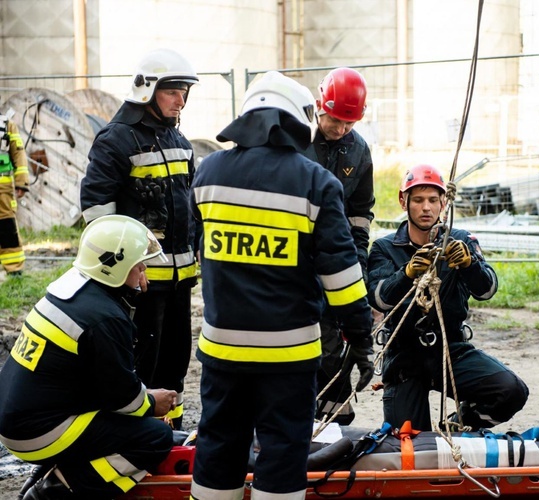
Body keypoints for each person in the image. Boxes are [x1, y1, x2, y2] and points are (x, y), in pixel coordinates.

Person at [189, 71, 373, 500]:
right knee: (283, 448)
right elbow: (343, 279)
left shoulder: (209, 172)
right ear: (300, 119)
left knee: (218, 445)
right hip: (288, 355)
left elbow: (200, 250)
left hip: (222, 351)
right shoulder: (315, 182)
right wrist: (360, 339)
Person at [0, 215, 178, 500]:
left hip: (19, 416)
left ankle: (52, 471)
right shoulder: (104, 319)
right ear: (116, 268)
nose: (144, 268)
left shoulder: (72, 287)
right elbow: (124, 400)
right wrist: (152, 403)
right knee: (155, 438)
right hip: (36, 432)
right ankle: (56, 489)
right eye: (138, 263)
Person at [79, 48, 200, 430]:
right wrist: (120, 269)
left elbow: (191, 205)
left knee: (175, 364)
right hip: (138, 284)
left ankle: (171, 438)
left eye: (184, 91)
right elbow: (97, 212)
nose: (180, 100)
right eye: (172, 91)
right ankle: (137, 439)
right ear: (146, 91)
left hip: (180, 281)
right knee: (140, 365)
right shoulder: (116, 140)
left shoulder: (178, 140)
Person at [367, 164, 529, 432]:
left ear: (444, 202)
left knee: (511, 391)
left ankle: (458, 424)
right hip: (405, 357)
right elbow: (379, 299)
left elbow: (487, 290)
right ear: (403, 201)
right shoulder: (385, 248)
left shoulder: (459, 241)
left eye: (433, 200)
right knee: (410, 441)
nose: (426, 208)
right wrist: (405, 274)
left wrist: (469, 265)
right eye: (418, 200)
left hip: (449, 349)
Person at [302, 67, 375, 425]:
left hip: (336, 260)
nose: (341, 129)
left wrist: (358, 259)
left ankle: (333, 420)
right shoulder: (297, 139)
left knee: (335, 340)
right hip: (298, 259)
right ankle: (307, 414)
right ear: (320, 106)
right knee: (309, 339)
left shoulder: (358, 149)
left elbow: (361, 212)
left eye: (349, 123)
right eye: (335, 120)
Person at [0, 112, 30, 276]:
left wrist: (21, 182)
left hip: (2, 188)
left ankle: (14, 269)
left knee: (6, 227)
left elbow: (18, 153)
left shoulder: (7, 125)